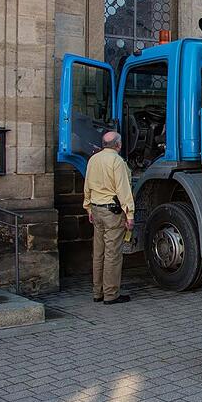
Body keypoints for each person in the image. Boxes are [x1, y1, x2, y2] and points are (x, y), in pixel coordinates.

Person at [83, 130, 135, 304]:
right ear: (118, 145)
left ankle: (97, 292)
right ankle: (111, 294)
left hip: (96, 211)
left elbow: (87, 186)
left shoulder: (93, 160)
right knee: (113, 254)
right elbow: (123, 189)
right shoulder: (117, 162)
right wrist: (130, 214)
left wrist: (88, 208)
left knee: (98, 253)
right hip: (112, 213)